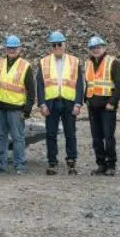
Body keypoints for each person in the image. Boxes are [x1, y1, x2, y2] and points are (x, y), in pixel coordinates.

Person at [36, 31, 85, 175]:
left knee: (70, 133)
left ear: (65, 45)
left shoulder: (74, 61)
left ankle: (71, 160)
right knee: (51, 133)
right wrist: (42, 104)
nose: (57, 47)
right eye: (54, 45)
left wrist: (78, 103)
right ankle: (52, 162)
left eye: (60, 44)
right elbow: (40, 84)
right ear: (51, 46)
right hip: (51, 103)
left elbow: (79, 84)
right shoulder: (44, 62)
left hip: (69, 103)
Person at [0, 35, 35, 174]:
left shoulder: (25, 66)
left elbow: (31, 90)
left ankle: (20, 165)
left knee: (18, 137)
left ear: (19, 49)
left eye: (14, 48)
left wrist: (27, 110)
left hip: (16, 109)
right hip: (0, 107)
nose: (11, 50)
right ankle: (1, 164)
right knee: (1, 137)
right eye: (9, 48)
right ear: (6, 48)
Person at [83, 35, 120, 176]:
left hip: (107, 107)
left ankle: (111, 164)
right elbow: (88, 83)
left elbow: (119, 85)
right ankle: (101, 164)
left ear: (104, 48)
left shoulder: (113, 62)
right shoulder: (88, 63)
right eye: (93, 48)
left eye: (98, 47)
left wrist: (112, 103)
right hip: (93, 106)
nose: (96, 50)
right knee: (96, 137)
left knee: (108, 136)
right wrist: (85, 99)